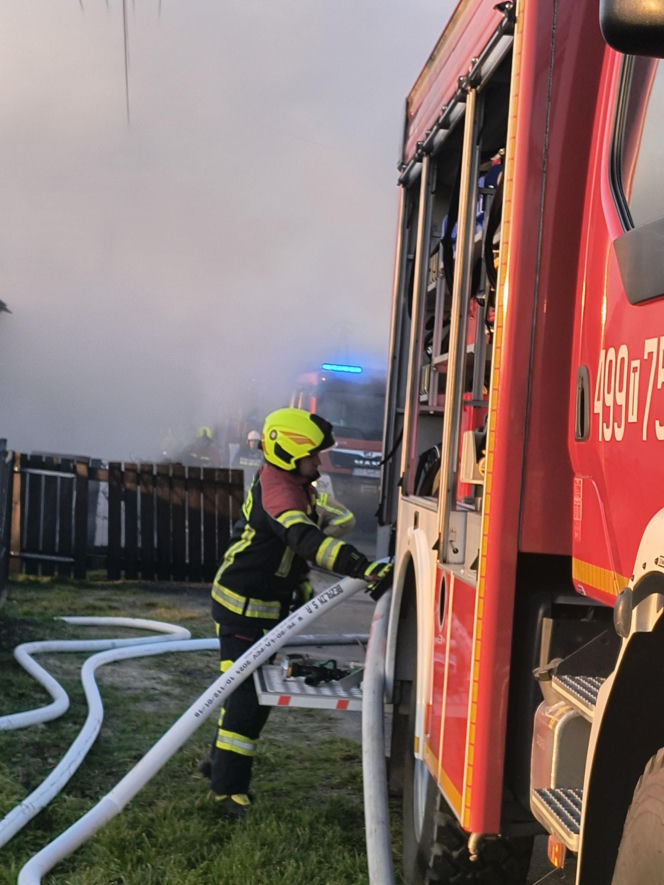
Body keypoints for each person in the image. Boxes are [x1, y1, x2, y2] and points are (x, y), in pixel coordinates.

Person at [203, 407, 390, 818]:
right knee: (248, 696)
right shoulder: (280, 489)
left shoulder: (293, 482)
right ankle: (226, 790)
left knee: (245, 692)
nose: (318, 462)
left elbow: (289, 553)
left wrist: (299, 585)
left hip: (263, 606)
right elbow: (306, 541)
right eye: (313, 455)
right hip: (243, 608)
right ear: (289, 451)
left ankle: (219, 765)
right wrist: (363, 567)